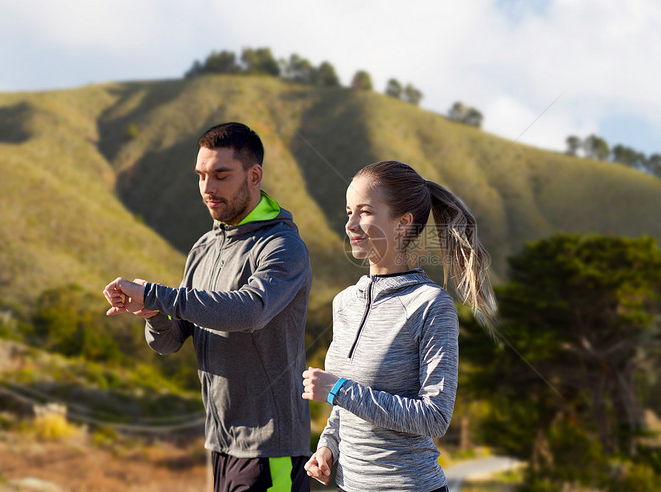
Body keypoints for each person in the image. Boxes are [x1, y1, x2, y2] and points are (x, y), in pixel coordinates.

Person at [103, 122, 313, 492]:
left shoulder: (282, 247)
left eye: (220, 175)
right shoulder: (204, 248)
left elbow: (250, 311)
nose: (207, 188)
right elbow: (169, 342)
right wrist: (153, 315)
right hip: (220, 443)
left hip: (271, 446)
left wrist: (155, 294)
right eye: (201, 176)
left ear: (254, 175)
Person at [301, 160, 497, 492]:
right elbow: (346, 405)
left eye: (364, 212)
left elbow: (434, 417)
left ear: (402, 222)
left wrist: (337, 390)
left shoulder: (430, 305)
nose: (350, 223)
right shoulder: (344, 302)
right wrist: (328, 447)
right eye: (348, 212)